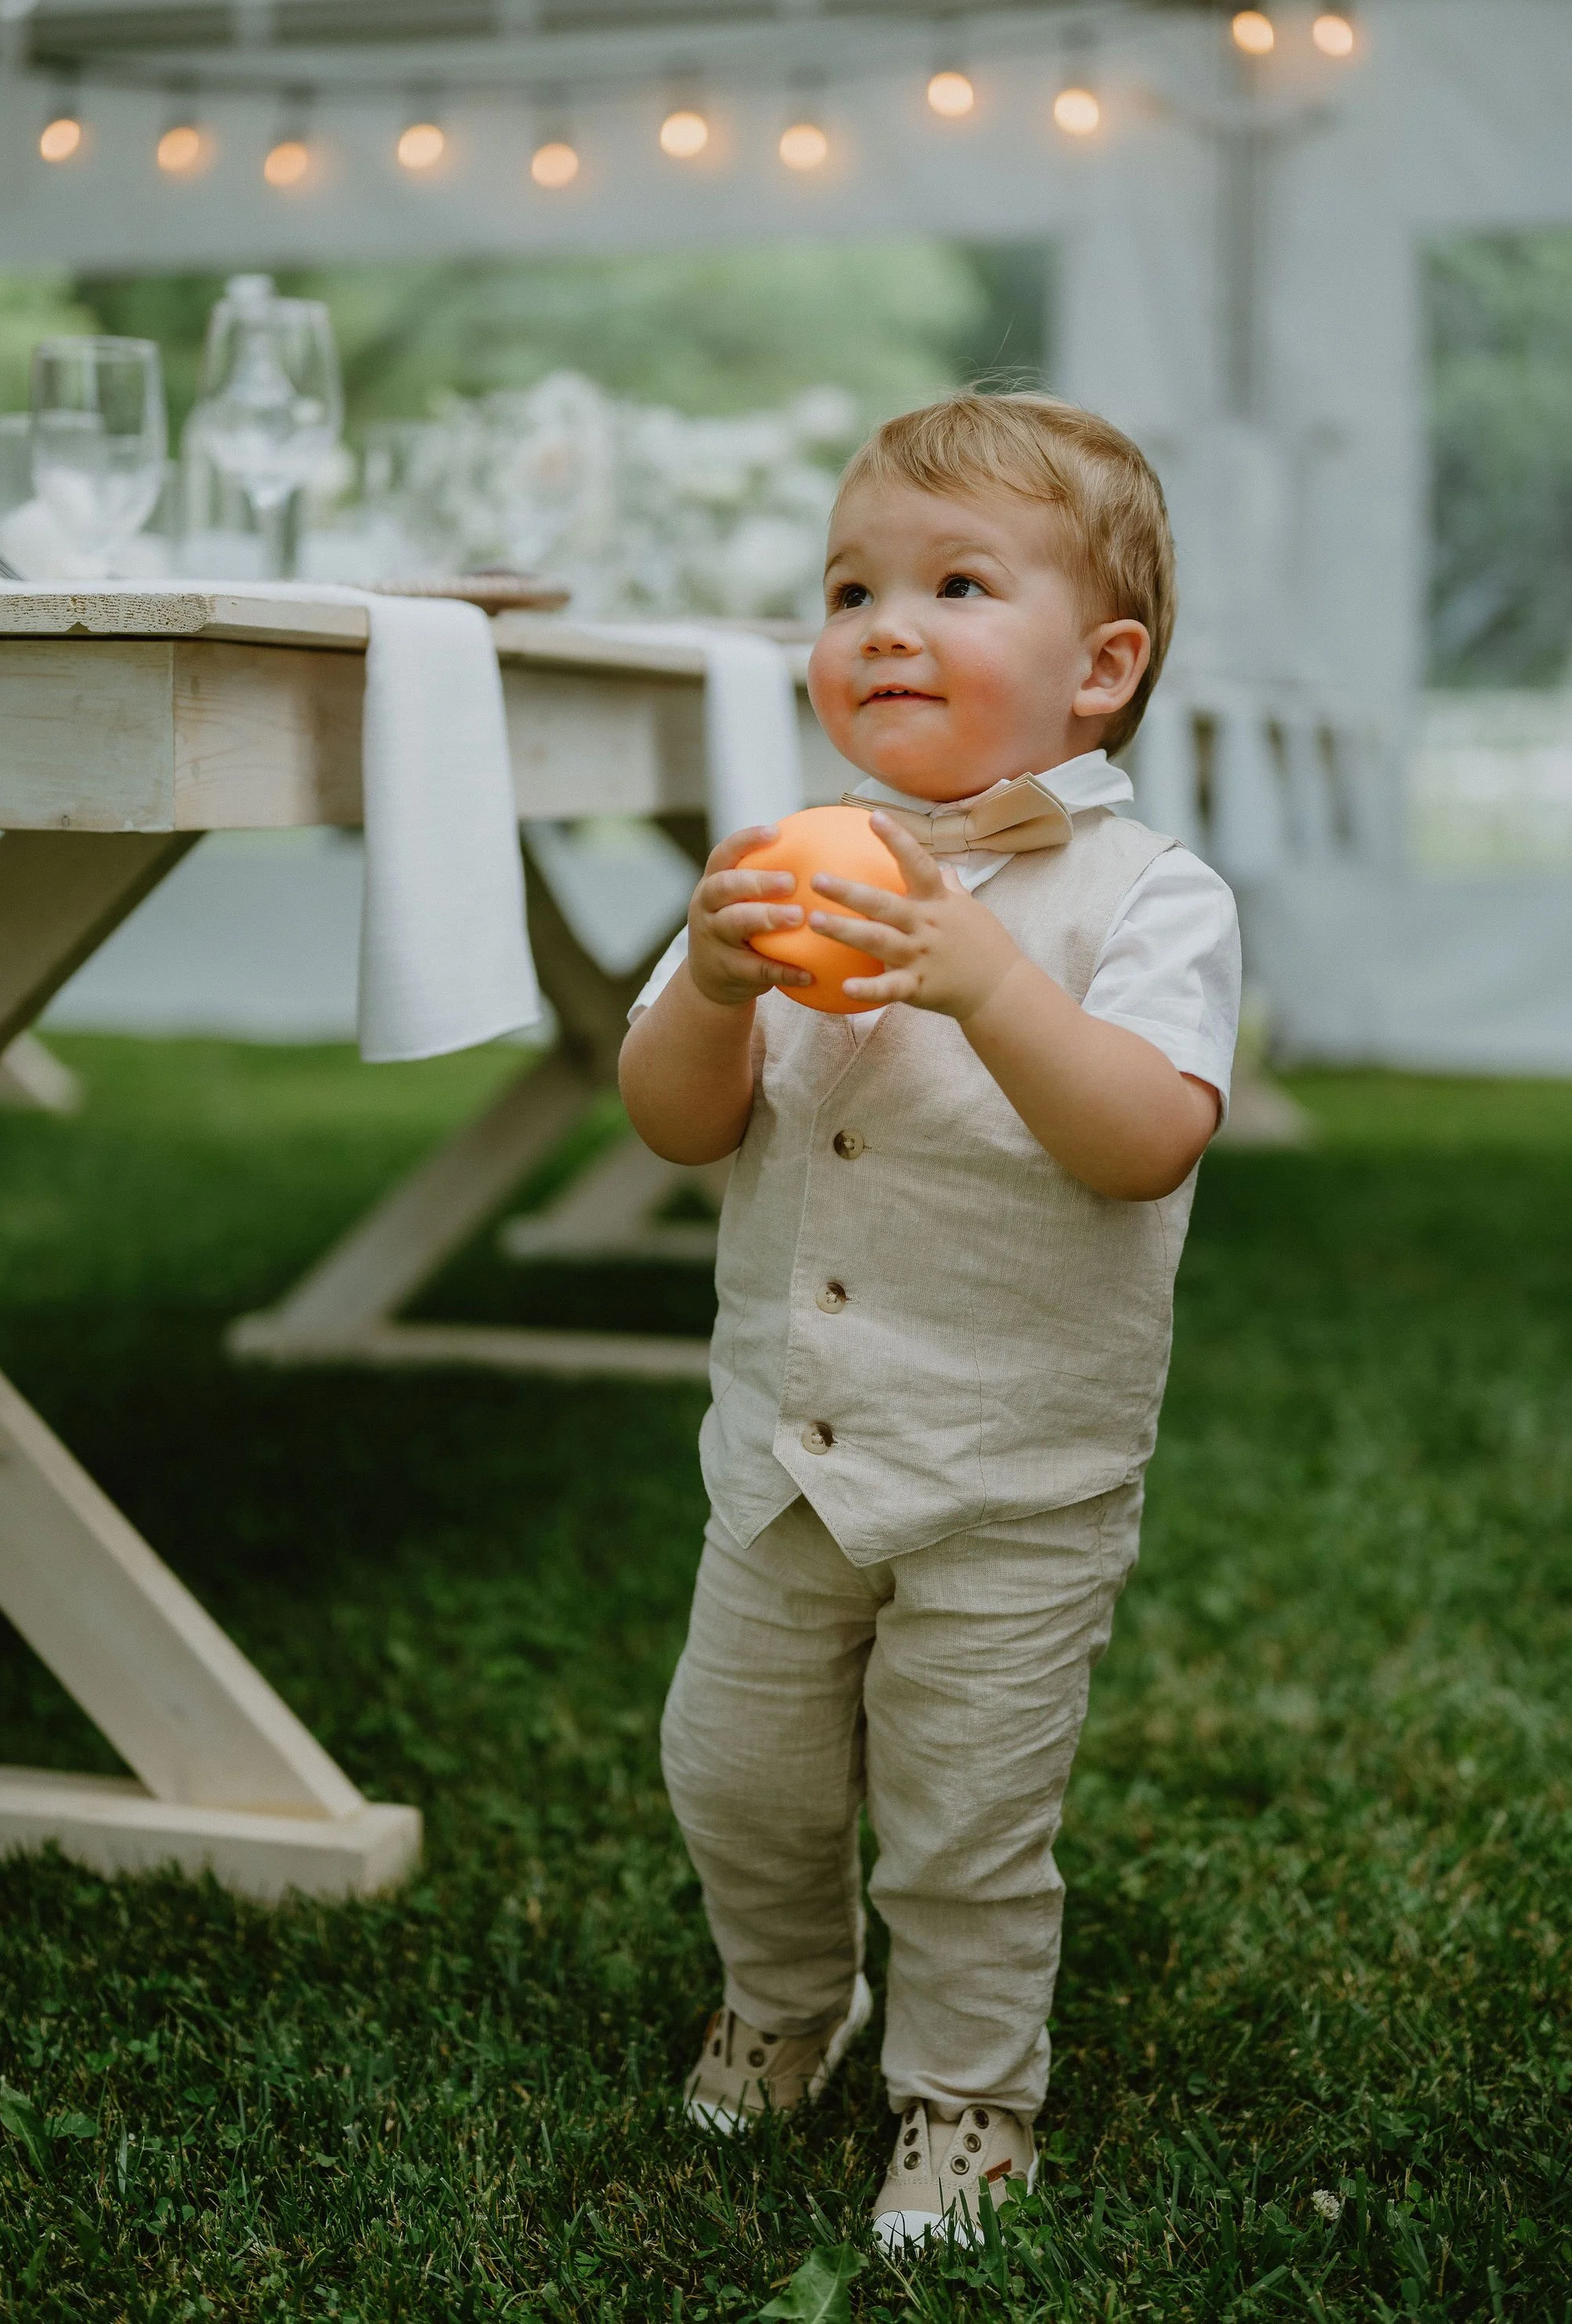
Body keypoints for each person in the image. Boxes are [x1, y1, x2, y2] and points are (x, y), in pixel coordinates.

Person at [618, 393, 1239, 2250]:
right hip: (786, 1457)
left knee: (964, 1821)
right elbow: (675, 1123)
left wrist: (984, 983)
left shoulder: (1151, 896)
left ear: (1098, 670)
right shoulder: (787, 859)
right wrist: (717, 982)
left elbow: (1143, 1144)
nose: (884, 623)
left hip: (1007, 1476)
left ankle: (967, 2099)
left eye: (955, 583)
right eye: (850, 584)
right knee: (735, 1770)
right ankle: (787, 2001)